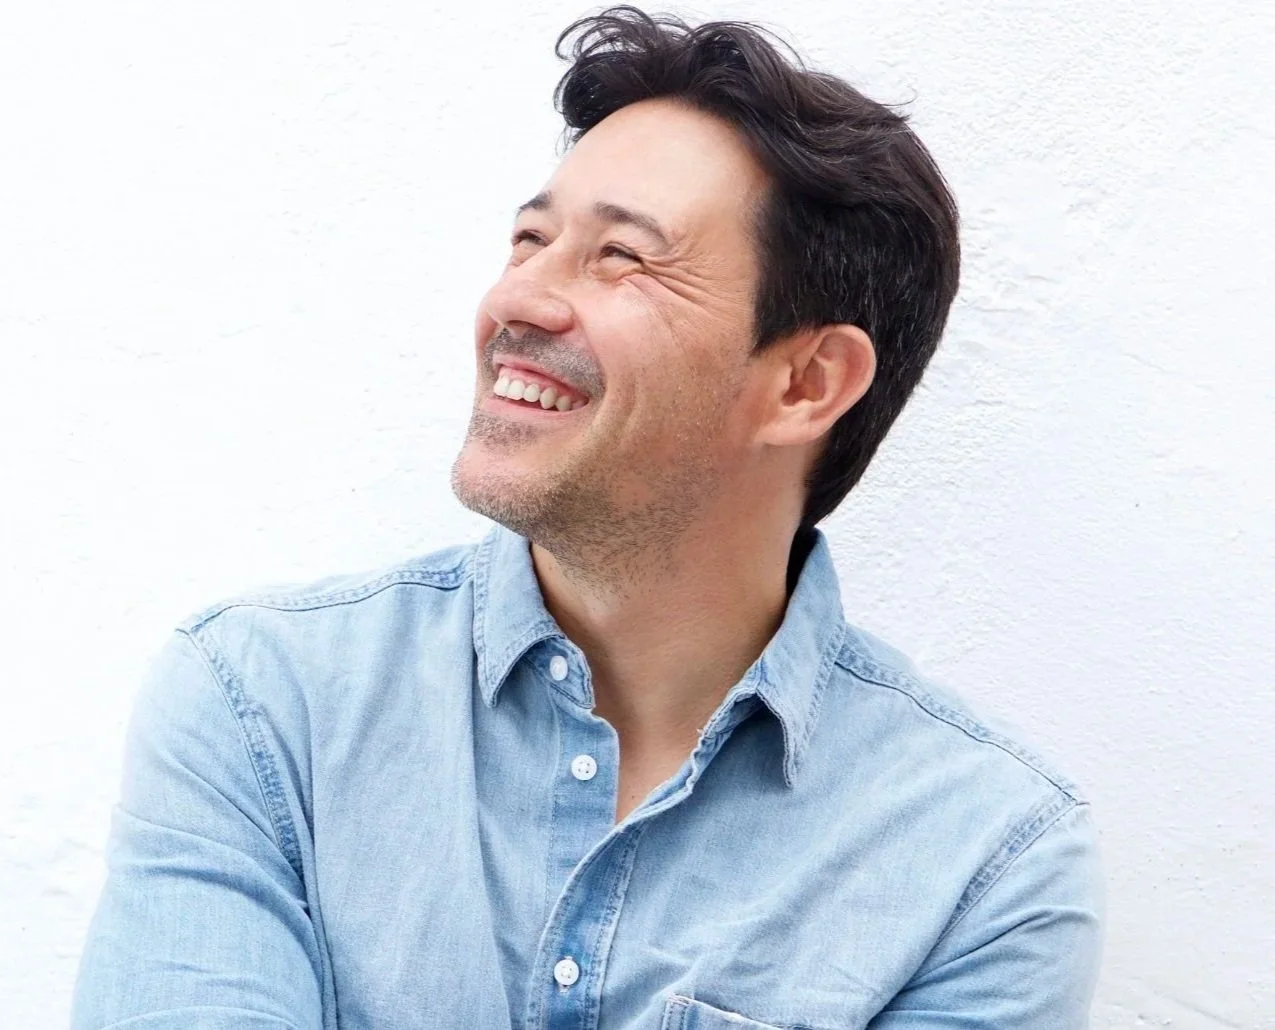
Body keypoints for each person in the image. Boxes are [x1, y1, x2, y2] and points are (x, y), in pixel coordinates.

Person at [72, 7, 1103, 1028]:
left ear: (805, 382)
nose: (519, 300)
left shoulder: (986, 860)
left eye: (619, 257)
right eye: (530, 237)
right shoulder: (264, 705)